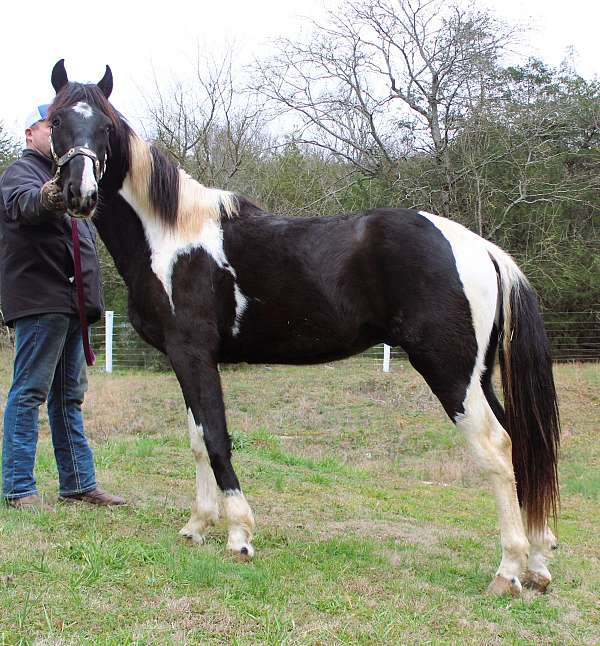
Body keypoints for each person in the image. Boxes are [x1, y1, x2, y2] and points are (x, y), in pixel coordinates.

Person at [0, 104, 125, 510]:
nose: (55, 136)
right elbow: (24, 204)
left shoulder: (69, 172)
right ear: (31, 134)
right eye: (48, 127)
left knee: (67, 398)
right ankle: (19, 489)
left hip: (70, 306)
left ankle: (77, 484)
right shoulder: (22, 173)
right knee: (28, 393)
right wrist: (50, 196)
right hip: (42, 302)